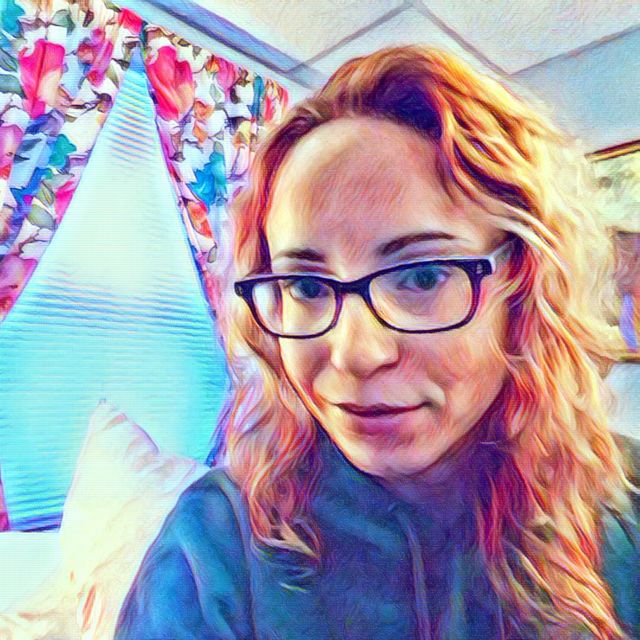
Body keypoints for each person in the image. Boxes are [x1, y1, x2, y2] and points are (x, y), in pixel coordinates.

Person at [115, 45, 640, 640]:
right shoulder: (213, 549)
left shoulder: (624, 506)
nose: (355, 354)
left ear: (521, 286)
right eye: (307, 285)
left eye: (422, 277)